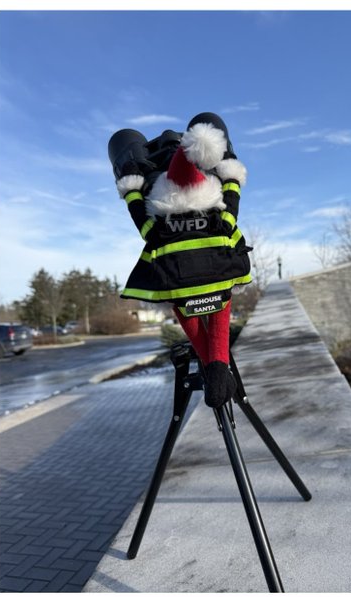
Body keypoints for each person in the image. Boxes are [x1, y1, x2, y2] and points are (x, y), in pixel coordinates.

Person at [114, 113, 251, 408]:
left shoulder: (160, 225)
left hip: (177, 281)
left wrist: (132, 191)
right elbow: (232, 202)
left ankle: (212, 363)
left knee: (184, 300)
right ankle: (218, 366)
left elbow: (145, 228)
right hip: (220, 275)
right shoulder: (219, 217)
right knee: (219, 301)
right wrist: (229, 173)